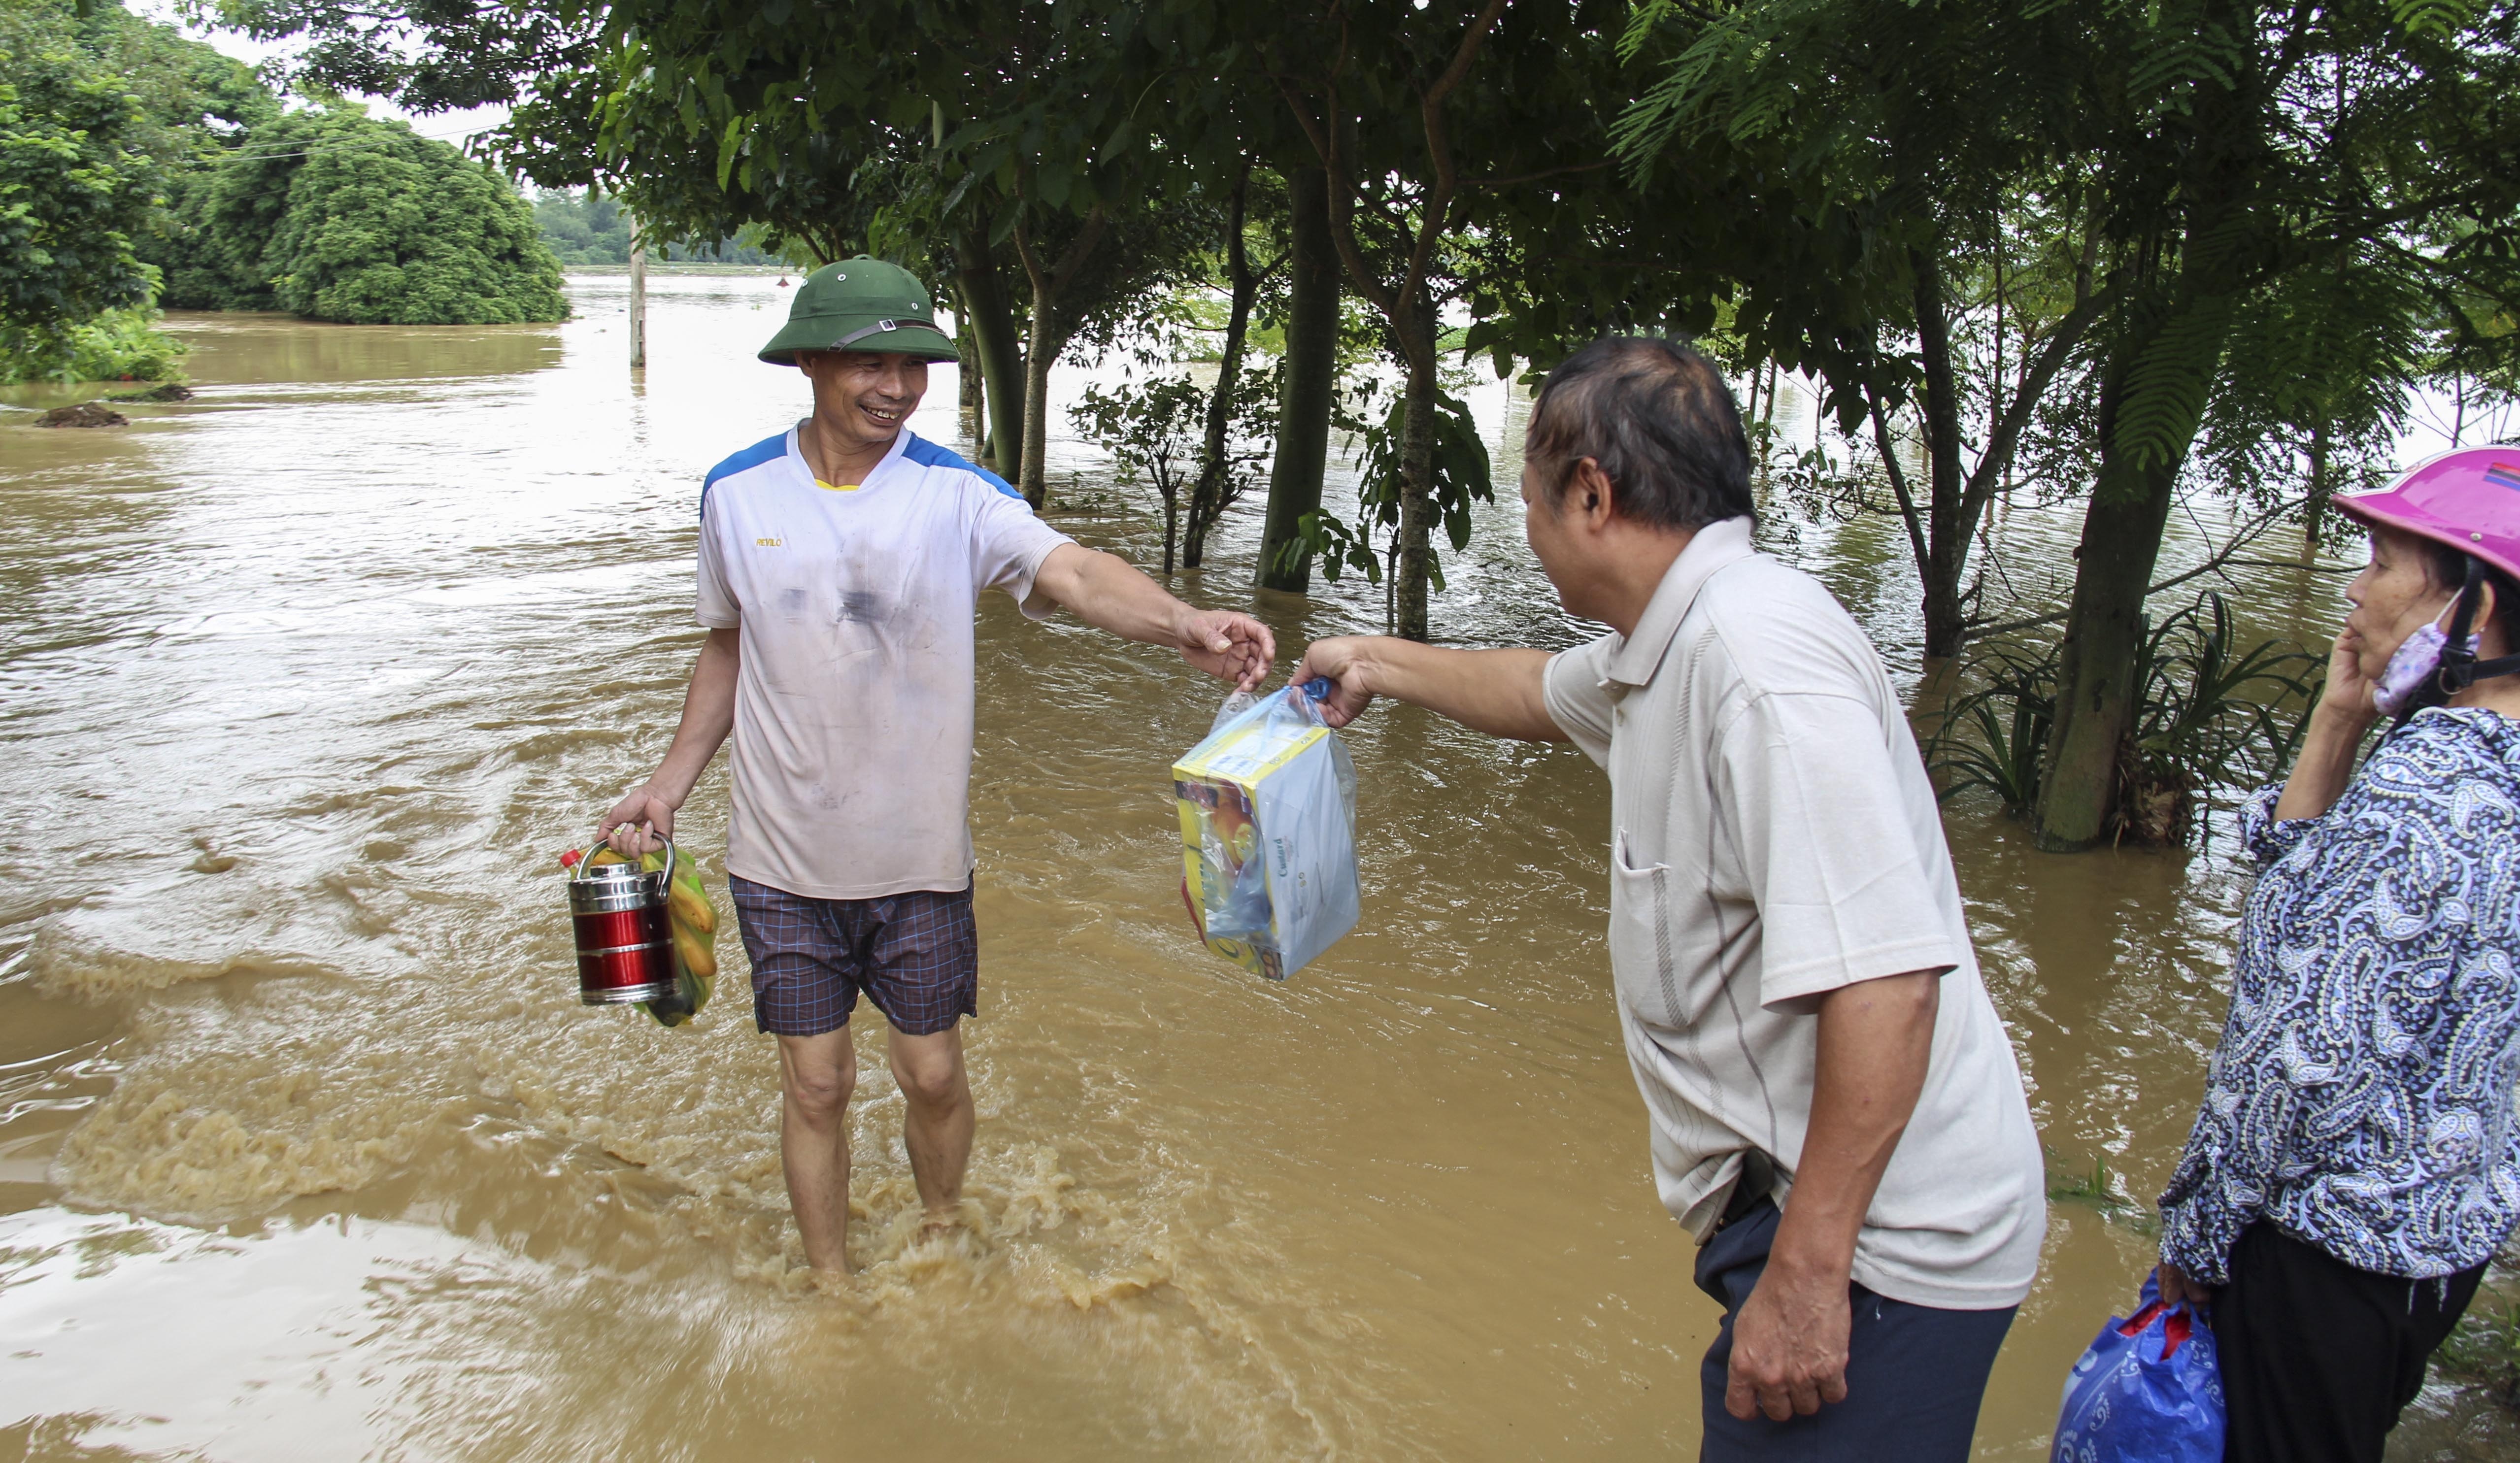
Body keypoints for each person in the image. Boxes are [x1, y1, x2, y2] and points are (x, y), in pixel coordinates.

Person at [1292, 337, 2045, 1460]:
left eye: (1535, 504)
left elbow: (1890, 981)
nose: (1532, 531)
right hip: (1817, 1224)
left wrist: (1804, 1277)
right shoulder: (1673, 641)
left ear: (1589, 494)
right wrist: (1369, 659)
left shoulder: (1755, 665)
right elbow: (1530, 688)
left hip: (1884, 1251)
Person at [598, 257, 1274, 1274]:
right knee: (816, 1086)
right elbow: (727, 648)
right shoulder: (736, 494)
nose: (899, 387)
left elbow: (1075, 571)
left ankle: (942, 1228)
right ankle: (832, 1288)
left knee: (931, 1074)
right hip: (780, 858)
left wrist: (1182, 620)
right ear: (814, 363)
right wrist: (666, 786)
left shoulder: (954, 495)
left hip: (917, 861)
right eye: (874, 363)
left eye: (916, 365)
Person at [2153, 447, 2520, 1463]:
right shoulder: (2493, 773)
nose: (2353, 589)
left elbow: (2294, 1057)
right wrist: (2336, 719)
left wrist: (2196, 1233)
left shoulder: (2422, 792)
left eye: (2382, 562)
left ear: (2473, 608)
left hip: (2322, 1261)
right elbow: (2305, 905)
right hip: (2436, 1250)